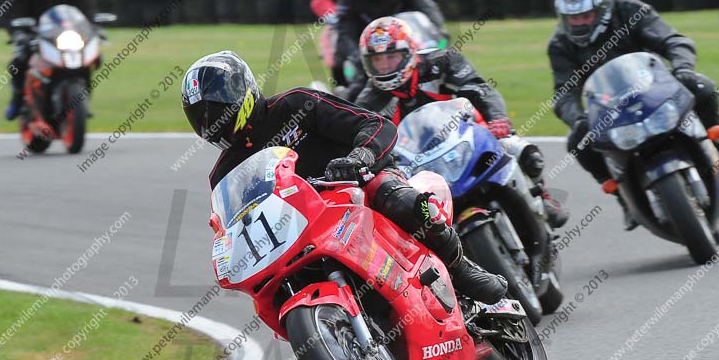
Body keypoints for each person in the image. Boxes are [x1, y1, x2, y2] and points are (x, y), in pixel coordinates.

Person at [181, 50, 507, 305]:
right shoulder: (223, 173)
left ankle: (462, 270)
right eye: (200, 117)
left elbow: (375, 124)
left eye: (214, 111)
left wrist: (359, 156)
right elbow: (235, 227)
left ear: (240, 95)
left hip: (360, 185)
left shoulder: (295, 105)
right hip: (301, 230)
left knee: (401, 200)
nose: (210, 123)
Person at [548, 0, 719, 230]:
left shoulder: (630, 11)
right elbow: (564, 91)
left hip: (654, 85)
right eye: (573, 18)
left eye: (585, 16)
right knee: (578, 141)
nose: (578, 23)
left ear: (602, 9)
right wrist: (577, 118)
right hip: (608, 105)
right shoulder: (560, 44)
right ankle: (623, 198)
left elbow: (673, 40)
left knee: (703, 87)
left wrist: (683, 68)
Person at [356, 17, 569, 228]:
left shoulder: (441, 61)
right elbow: (361, 138)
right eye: (377, 60)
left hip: (468, 133)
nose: (385, 66)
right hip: (417, 161)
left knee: (526, 153)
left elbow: (480, 89)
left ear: (408, 52)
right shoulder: (368, 101)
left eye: (391, 57)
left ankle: (542, 196)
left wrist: (497, 118)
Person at [334, 0, 444, 100]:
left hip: (407, 48)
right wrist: (357, 56)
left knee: (443, 68)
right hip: (373, 55)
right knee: (359, 85)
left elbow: (428, 10)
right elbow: (345, 34)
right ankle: (343, 99)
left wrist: (438, 30)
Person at [4, 0, 93, 121]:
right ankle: (17, 100)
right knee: (18, 63)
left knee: (89, 60)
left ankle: (82, 102)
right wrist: (18, 32)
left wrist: (93, 27)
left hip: (67, 34)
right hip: (34, 34)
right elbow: (13, 12)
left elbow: (86, 8)